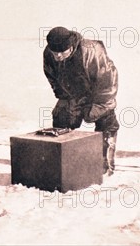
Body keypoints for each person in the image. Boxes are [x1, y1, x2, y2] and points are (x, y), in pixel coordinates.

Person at [43, 26, 119, 175]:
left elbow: (107, 80)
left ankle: (104, 167)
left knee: (107, 123)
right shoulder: (49, 54)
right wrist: (63, 97)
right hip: (72, 93)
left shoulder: (91, 51)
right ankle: (64, 162)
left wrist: (100, 105)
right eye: (55, 52)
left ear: (71, 47)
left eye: (62, 52)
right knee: (60, 117)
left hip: (98, 92)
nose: (58, 56)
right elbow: (52, 76)